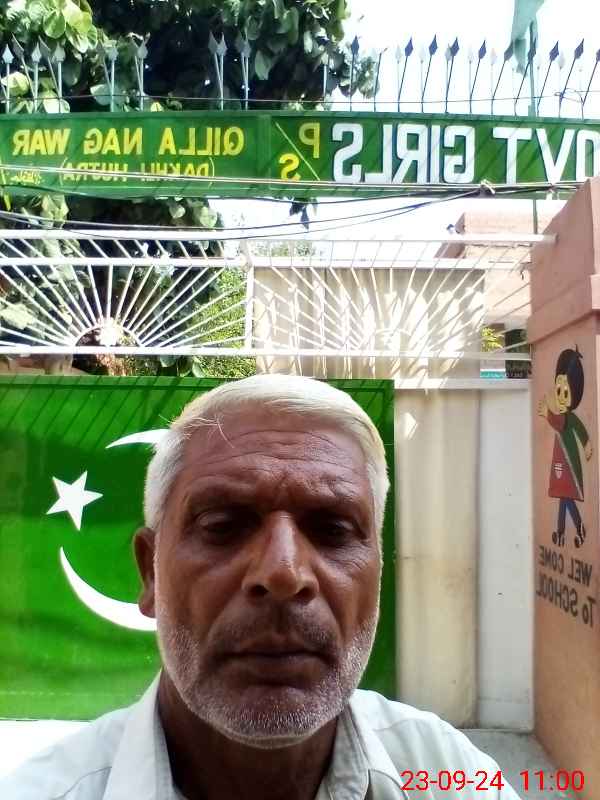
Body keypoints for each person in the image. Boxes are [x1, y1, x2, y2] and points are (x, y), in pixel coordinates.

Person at [1, 374, 521, 799]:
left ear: (378, 573)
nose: (283, 574)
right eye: (223, 525)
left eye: (333, 530)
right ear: (150, 573)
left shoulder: (451, 775)